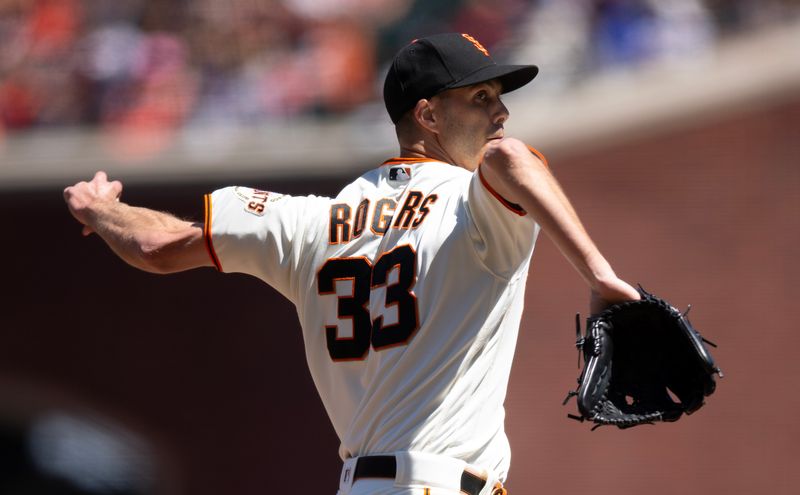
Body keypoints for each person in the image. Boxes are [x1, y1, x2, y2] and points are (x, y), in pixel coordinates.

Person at [64, 33, 640, 495]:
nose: (502, 114)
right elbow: (509, 159)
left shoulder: (308, 222)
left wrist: (101, 210)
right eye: (481, 99)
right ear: (428, 117)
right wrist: (599, 275)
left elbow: (158, 248)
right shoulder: (474, 211)